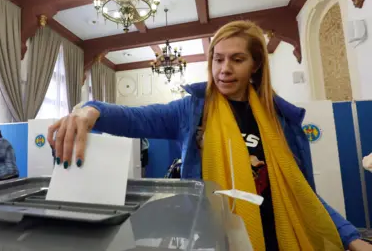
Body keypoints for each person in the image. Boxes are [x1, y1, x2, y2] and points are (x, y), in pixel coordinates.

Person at [47, 21, 371, 251]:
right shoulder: (190, 112)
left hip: (277, 234)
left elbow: (302, 192)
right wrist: (89, 110)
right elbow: (136, 118)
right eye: (218, 58)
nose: (224, 69)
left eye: (237, 59)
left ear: (255, 65)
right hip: (214, 238)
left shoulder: (281, 121)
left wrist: (349, 236)